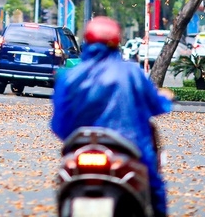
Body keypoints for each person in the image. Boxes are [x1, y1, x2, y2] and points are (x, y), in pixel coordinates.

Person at [51, 16, 173, 217]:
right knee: (154, 187)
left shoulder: (68, 76)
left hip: (80, 150)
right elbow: (154, 104)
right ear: (116, 43)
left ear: (86, 42)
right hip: (128, 147)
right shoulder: (132, 72)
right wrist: (166, 100)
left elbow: (59, 124)